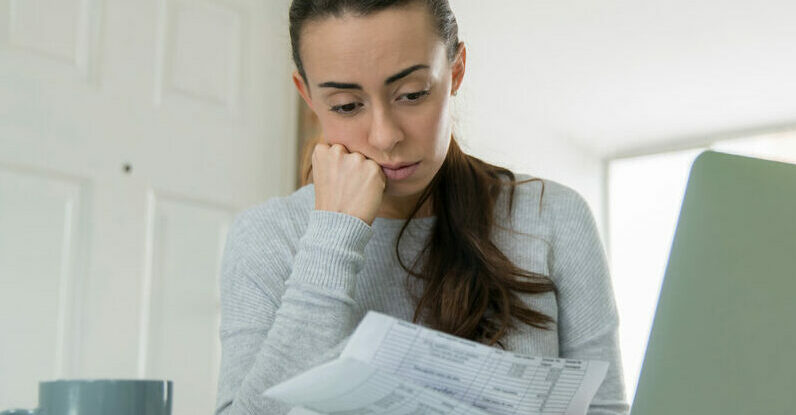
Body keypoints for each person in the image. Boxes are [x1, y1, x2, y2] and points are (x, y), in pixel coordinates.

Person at [214, 1, 629, 414]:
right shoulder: (267, 235)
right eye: (345, 105)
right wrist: (332, 237)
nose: (384, 136)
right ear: (308, 95)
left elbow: (605, 409)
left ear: (456, 71)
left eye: (412, 95)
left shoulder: (551, 216)